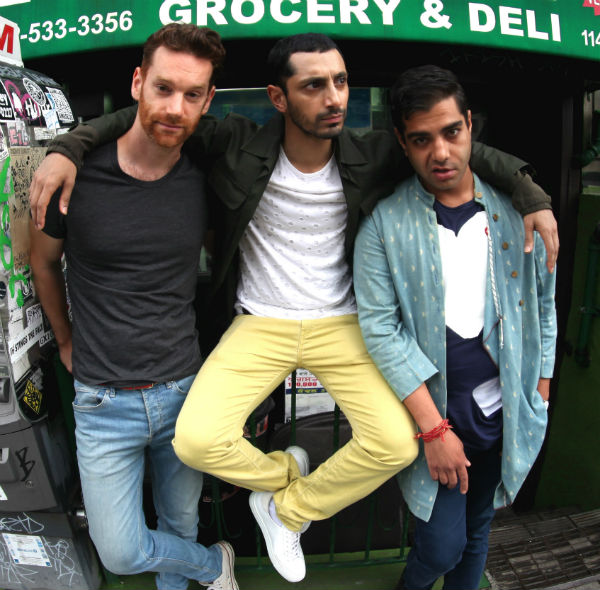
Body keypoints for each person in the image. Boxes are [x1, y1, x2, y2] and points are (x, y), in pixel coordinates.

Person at [28, 33, 557, 584]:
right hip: (259, 323)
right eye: (313, 86)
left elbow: (453, 147)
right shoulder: (236, 143)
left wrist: (529, 192)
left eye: (341, 82)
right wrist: (70, 147)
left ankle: (289, 508)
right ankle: (284, 471)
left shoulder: (373, 153)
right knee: (197, 440)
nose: (333, 98)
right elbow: (154, 117)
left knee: (397, 443)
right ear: (278, 97)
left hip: (341, 323)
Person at [29, 24, 238, 590]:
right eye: (163, 88)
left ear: (207, 102)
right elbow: (43, 263)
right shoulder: (76, 173)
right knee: (121, 552)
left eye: (192, 95)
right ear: (138, 83)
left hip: (184, 390)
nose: (175, 108)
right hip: (103, 401)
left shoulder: (207, 176)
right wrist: (65, 341)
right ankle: (212, 566)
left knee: (180, 522)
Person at [353, 65, 556, 590]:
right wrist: (434, 430)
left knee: (479, 527)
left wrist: (539, 390)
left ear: (470, 125)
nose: (440, 152)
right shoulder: (385, 224)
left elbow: (543, 303)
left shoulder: (517, 211)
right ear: (402, 142)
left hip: (504, 410)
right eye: (422, 139)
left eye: (451, 132)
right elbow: (379, 328)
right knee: (442, 545)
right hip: (437, 412)